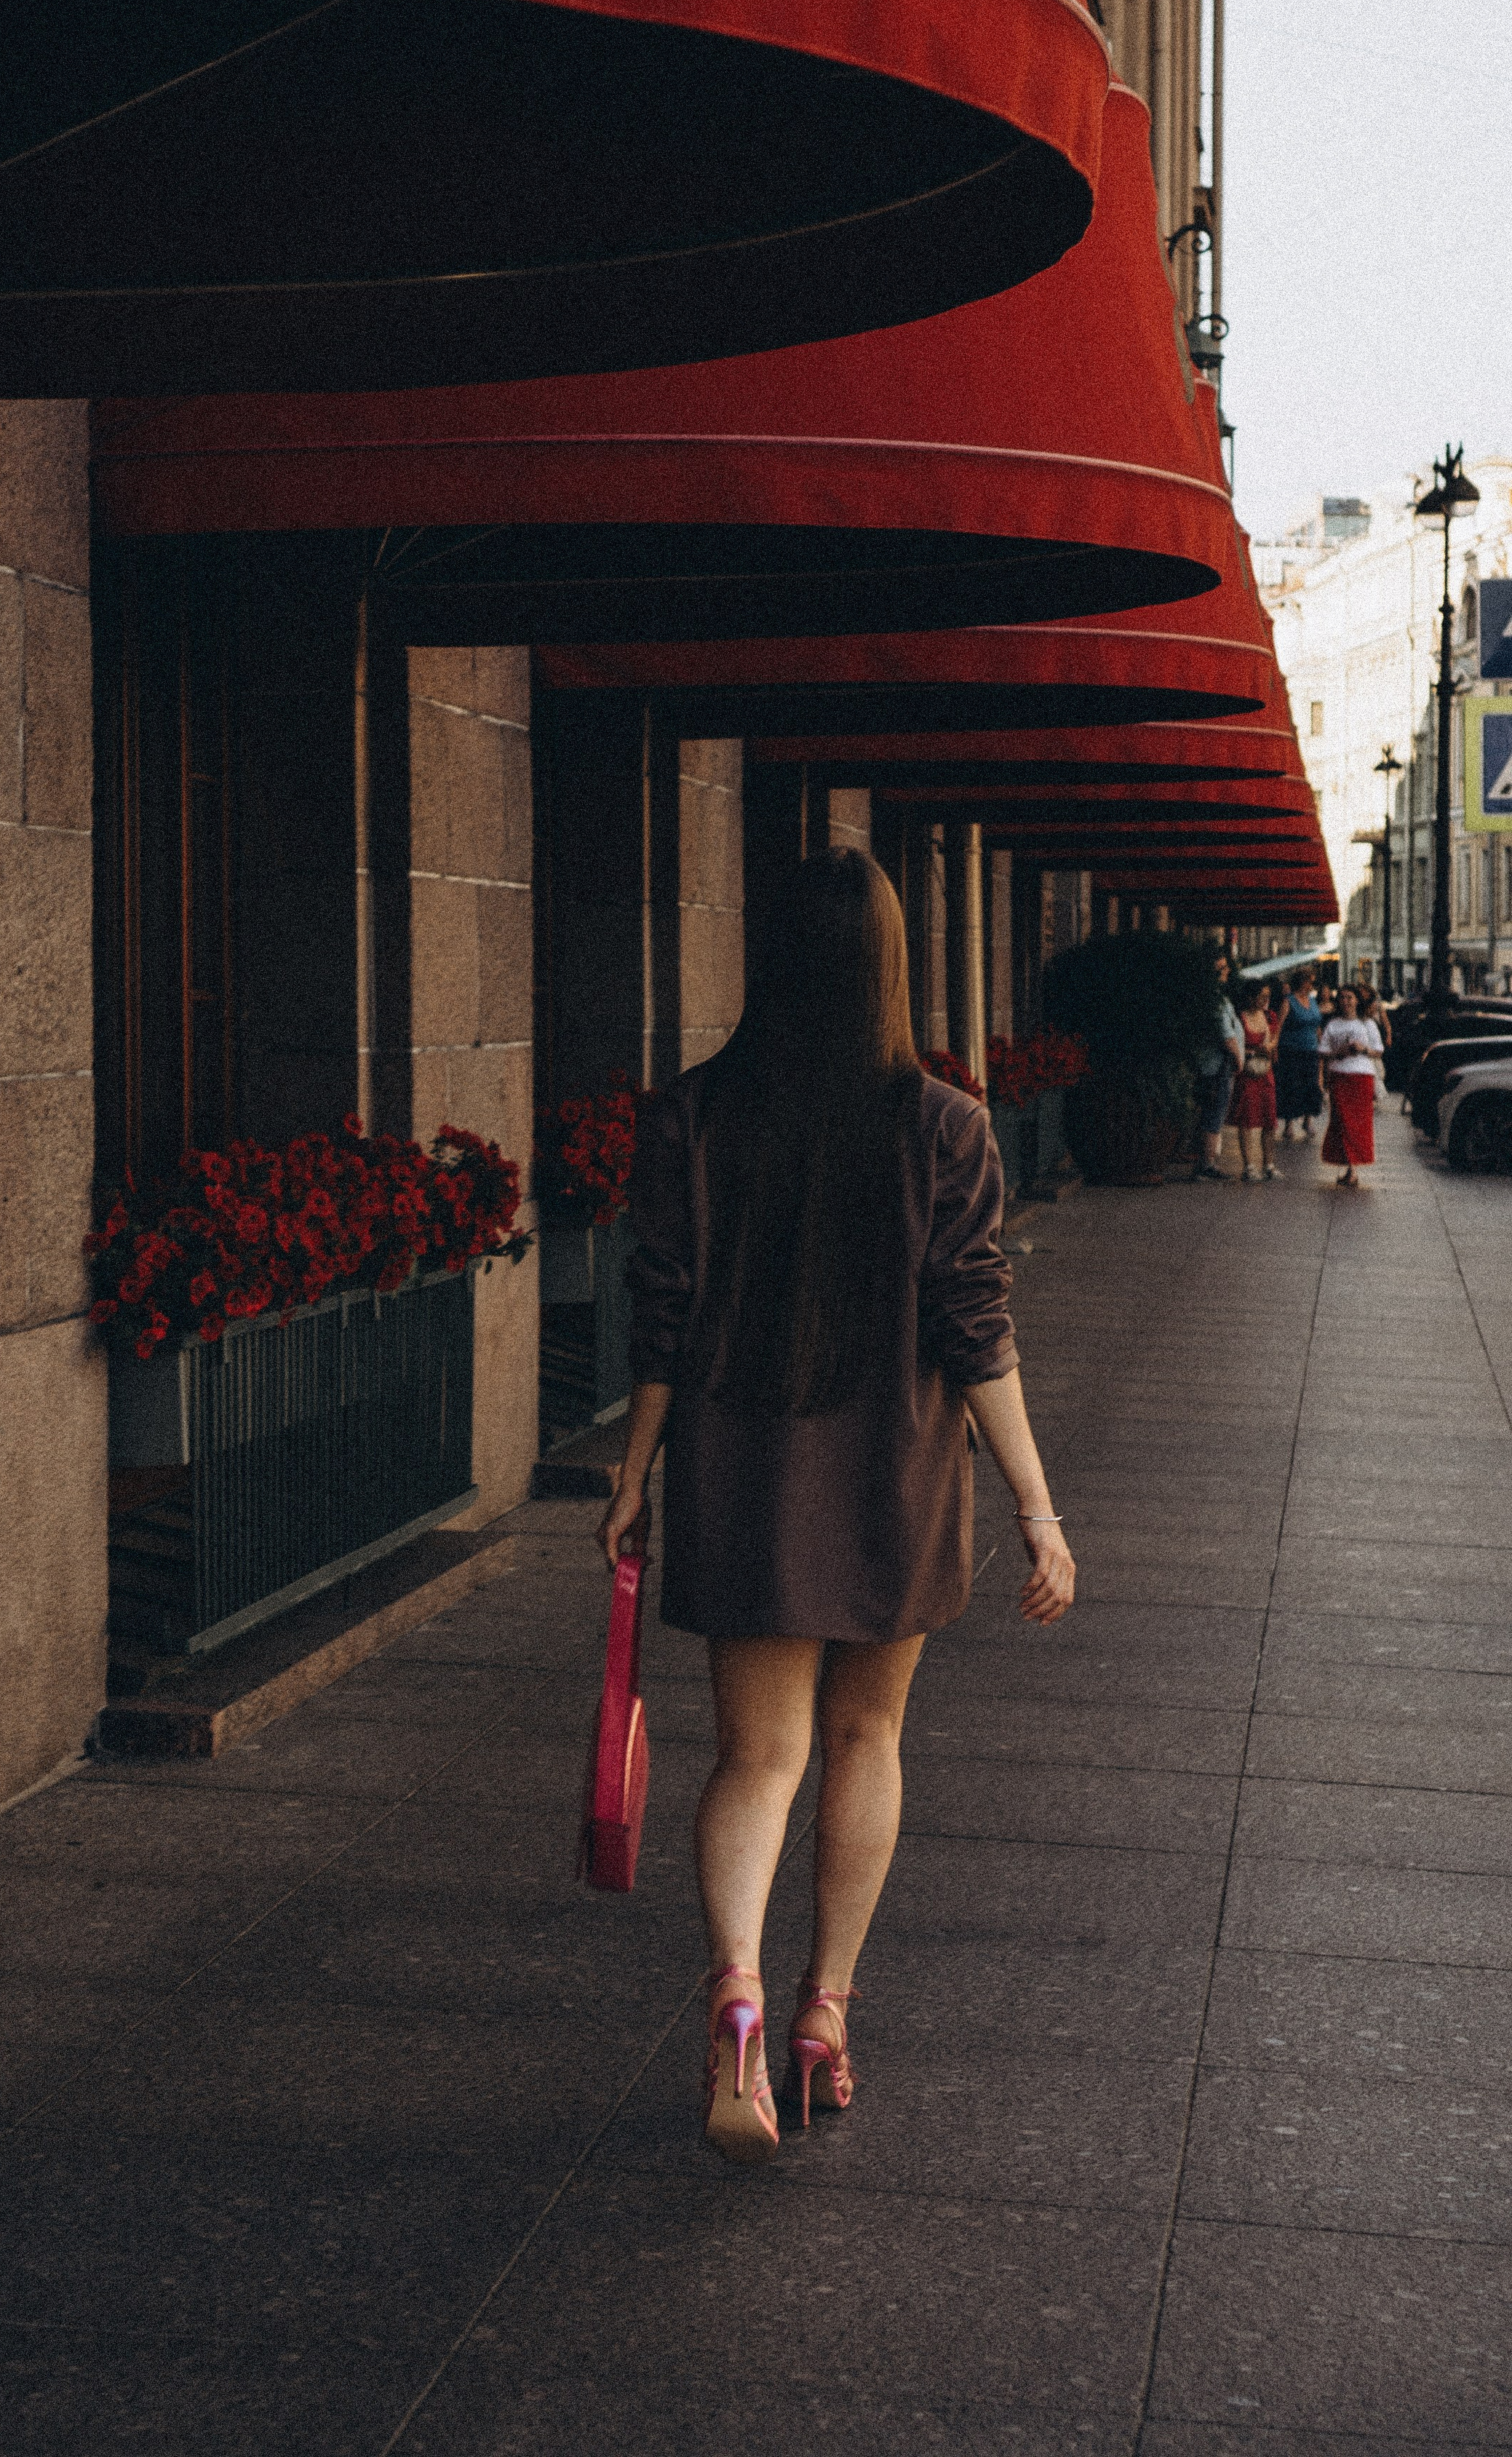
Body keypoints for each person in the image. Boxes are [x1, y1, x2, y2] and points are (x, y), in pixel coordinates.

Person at [599, 850, 1073, 2165]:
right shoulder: (944, 1126)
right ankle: (824, 2016)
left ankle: (735, 1988)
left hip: (738, 1471)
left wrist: (636, 1473)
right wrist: (1037, 1506)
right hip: (894, 1475)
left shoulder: (692, 1115)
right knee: (866, 1739)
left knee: (758, 1757)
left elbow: (662, 1310)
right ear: (889, 964)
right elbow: (977, 1331)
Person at [1320, 985, 1385, 1187]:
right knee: (1341, 1122)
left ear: (1357, 1000)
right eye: (1343, 998)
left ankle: (1353, 1168)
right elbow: (1322, 1051)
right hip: (1339, 1076)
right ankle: (1349, 1167)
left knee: (1358, 1123)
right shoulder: (1333, 1025)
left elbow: (1379, 1050)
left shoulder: (1368, 1024)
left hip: (1362, 1076)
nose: (1346, 1001)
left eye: (1350, 998)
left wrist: (1363, 1049)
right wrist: (1338, 1053)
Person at [1190, 952, 1246, 1180]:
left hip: (1209, 1064)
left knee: (1209, 1112)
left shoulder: (1206, 997)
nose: (1227, 972)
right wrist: (1238, 1058)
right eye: (1222, 969)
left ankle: (1204, 1161)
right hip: (1218, 1065)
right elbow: (1226, 1036)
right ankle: (1207, 1164)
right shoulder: (1216, 1001)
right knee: (1215, 1114)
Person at [1226, 979, 1279, 1179]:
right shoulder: (1241, 1018)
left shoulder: (1268, 1016)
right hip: (1248, 1074)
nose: (1266, 1000)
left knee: (1269, 1119)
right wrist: (1253, 1052)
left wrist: (1270, 1047)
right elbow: (1237, 1045)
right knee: (1247, 1120)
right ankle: (1249, 1166)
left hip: (1266, 1072)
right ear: (1251, 997)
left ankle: (1269, 1165)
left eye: (1268, 996)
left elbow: (1274, 1040)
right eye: (1262, 996)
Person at [1275, 971, 1324, 1143]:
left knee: (1311, 1084)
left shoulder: (1312, 1001)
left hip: (1311, 1050)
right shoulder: (1289, 1002)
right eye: (1309, 982)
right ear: (1301, 983)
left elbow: (1317, 1024)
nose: (1311, 985)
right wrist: (1275, 1047)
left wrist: (1322, 1044)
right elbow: (1279, 1026)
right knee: (1292, 1085)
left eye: (1312, 982)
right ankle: (1289, 1124)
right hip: (1292, 1050)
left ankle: (1308, 1120)